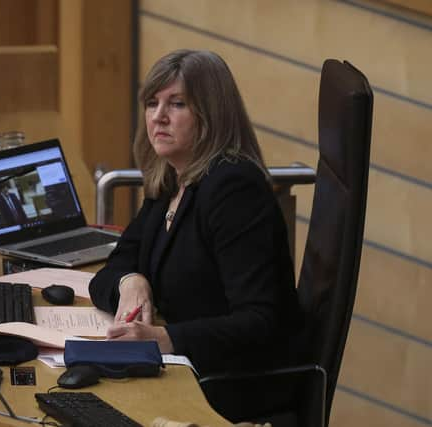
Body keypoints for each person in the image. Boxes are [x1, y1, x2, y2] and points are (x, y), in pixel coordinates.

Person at [89, 49, 302, 380]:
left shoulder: (234, 189)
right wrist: (131, 281)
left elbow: (259, 320)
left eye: (177, 104)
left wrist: (164, 338)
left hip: (231, 378)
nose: (159, 116)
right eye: (152, 103)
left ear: (211, 115)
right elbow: (113, 267)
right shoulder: (173, 176)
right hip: (185, 367)